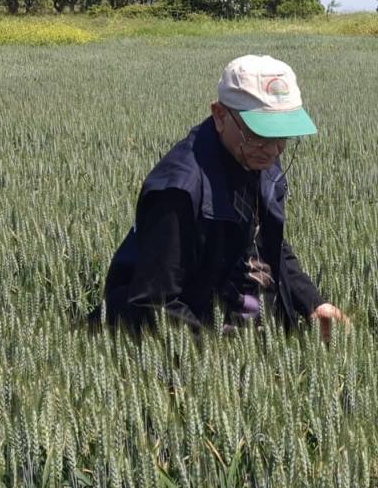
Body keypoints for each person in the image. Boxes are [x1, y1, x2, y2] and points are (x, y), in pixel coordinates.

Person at [94, 54, 349, 340]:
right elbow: (155, 303)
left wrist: (313, 302)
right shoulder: (177, 192)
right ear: (219, 115)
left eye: (283, 136)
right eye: (260, 134)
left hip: (245, 313)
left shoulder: (257, 155)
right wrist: (223, 354)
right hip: (198, 329)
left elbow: (268, 242)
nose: (275, 149)